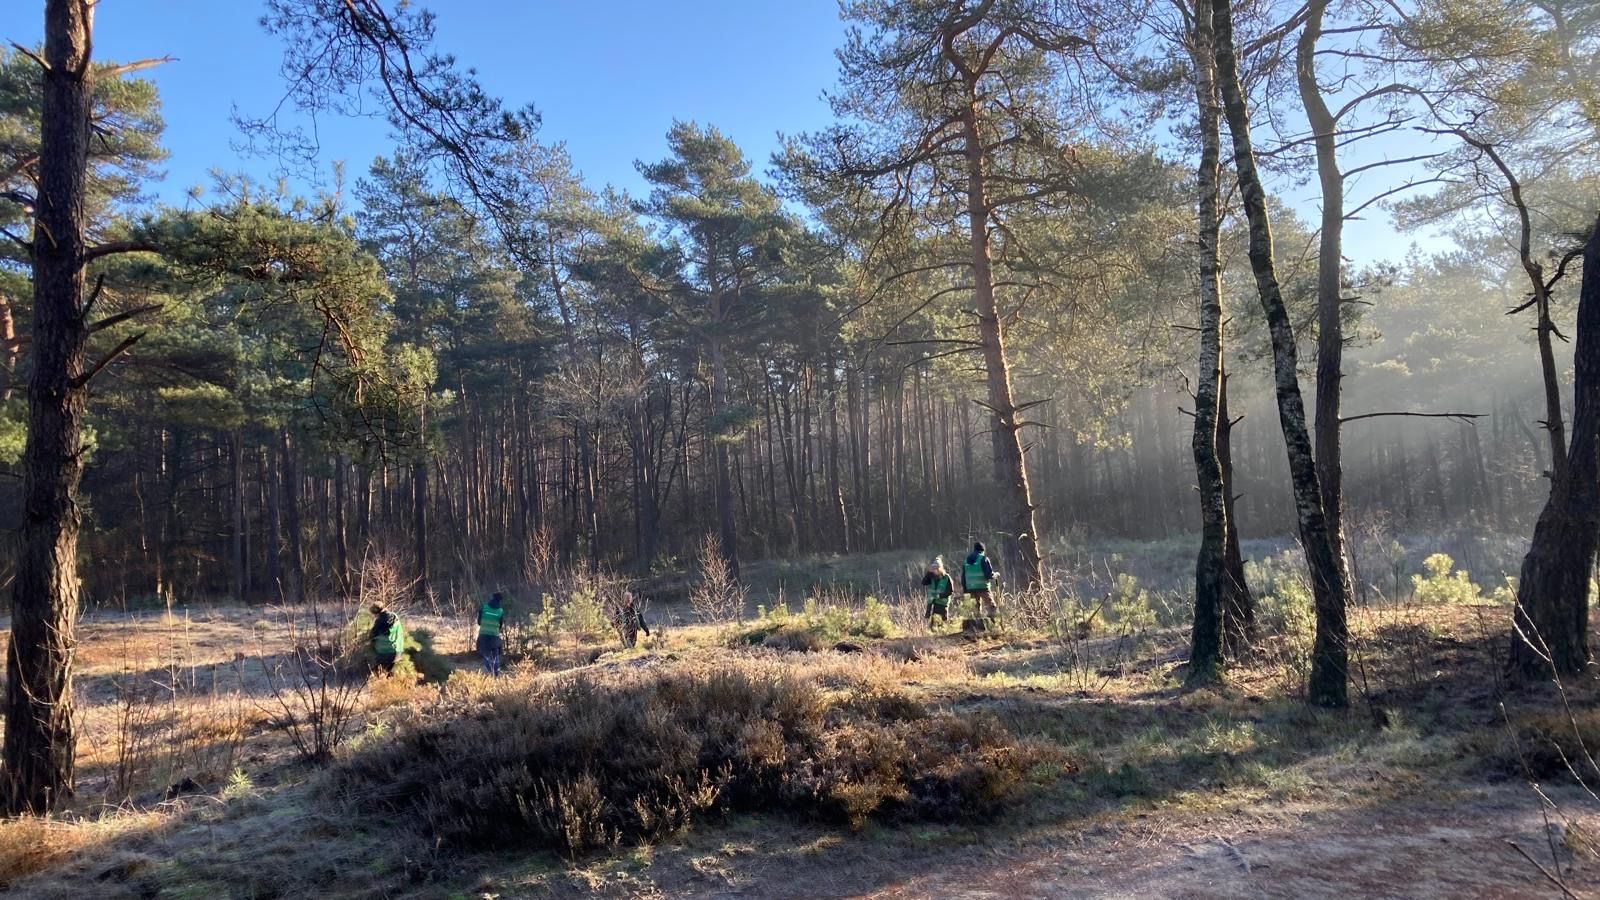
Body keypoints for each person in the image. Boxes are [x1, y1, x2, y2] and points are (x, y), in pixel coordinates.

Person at [962, 541, 1000, 625]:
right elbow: (988, 575)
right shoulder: (983, 559)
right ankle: (992, 625)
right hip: (982, 587)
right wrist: (996, 575)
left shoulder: (966, 561)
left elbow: (963, 577)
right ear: (982, 550)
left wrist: (965, 589)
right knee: (991, 607)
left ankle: (975, 628)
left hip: (970, 588)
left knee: (975, 609)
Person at [477, 591, 507, 676]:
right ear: (500, 600)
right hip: (495, 636)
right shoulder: (500, 611)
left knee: (485, 655)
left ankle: (490, 672)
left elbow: (479, 622)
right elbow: (500, 625)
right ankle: (496, 673)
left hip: (483, 635)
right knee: (496, 656)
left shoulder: (484, 608)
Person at [369, 602, 403, 674]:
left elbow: (372, 635)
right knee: (389, 675)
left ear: (376, 613)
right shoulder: (395, 616)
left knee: (377, 674)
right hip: (398, 651)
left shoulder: (379, 621)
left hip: (384, 652)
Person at [921, 556, 954, 627]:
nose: (934, 570)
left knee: (942, 624)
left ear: (940, 568)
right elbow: (923, 582)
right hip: (932, 603)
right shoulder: (931, 576)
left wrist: (940, 596)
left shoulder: (946, 578)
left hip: (942, 604)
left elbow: (950, 591)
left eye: (935, 569)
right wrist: (928, 573)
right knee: (932, 625)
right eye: (933, 569)